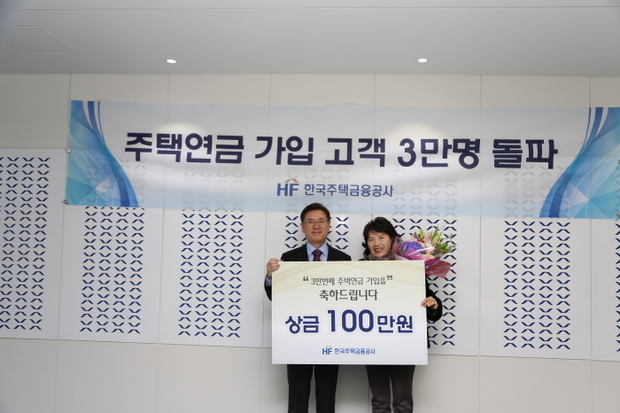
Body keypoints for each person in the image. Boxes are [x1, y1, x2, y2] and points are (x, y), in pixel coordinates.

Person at [264, 202, 352, 413]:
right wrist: (270, 277)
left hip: (331, 338)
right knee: (297, 396)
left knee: (327, 397)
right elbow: (276, 297)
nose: (316, 226)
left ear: (329, 225)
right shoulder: (289, 258)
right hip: (298, 337)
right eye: (310, 222)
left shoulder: (344, 260)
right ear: (302, 227)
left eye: (321, 221)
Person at [361, 217, 442, 413]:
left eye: (381, 237)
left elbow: (431, 309)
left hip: (405, 342)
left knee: (403, 402)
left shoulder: (410, 268)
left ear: (392, 239)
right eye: (371, 239)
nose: (376, 243)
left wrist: (433, 304)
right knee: (379, 401)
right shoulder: (359, 269)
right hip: (372, 342)